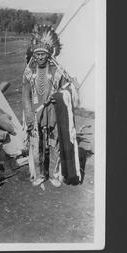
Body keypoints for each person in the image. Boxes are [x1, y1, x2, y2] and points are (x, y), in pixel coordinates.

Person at [22, 25, 79, 188]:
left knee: (54, 143)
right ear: (34, 55)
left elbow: (68, 89)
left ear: (48, 56)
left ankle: (54, 174)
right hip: (36, 114)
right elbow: (25, 96)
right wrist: (29, 115)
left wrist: (58, 97)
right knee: (37, 145)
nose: (40, 57)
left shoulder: (57, 72)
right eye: (37, 54)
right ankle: (40, 174)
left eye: (43, 54)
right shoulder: (28, 74)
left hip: (53, 114)